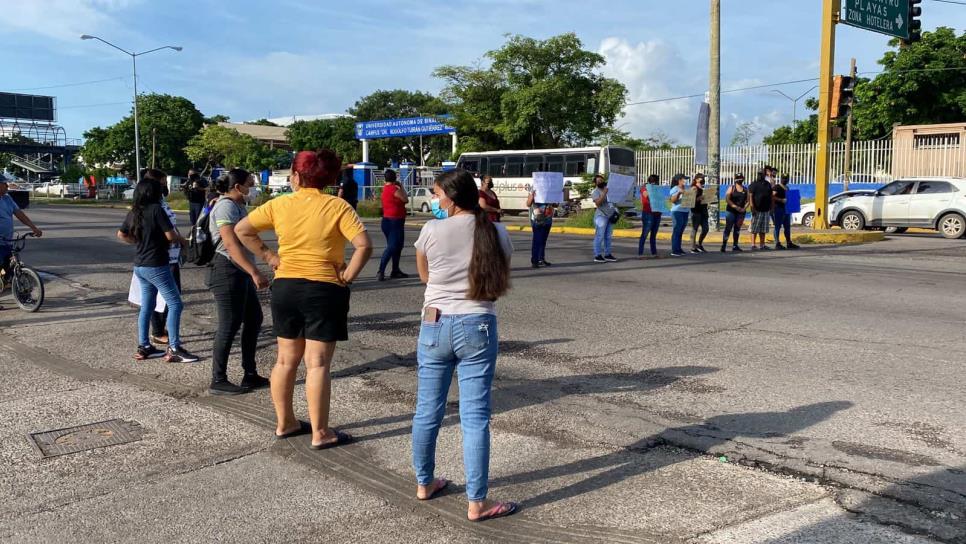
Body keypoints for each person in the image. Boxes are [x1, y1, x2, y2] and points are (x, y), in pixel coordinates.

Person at [235, 149, 373, 448]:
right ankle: (320, 432)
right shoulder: (338, 206)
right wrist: (347, 276)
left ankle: (285, 422)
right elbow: (364, 245)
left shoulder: (279, 204)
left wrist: (270, 256)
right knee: (318, 363)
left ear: (296, 176)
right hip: (324, 288)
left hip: (286, 286)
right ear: (329, 178)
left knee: (285, 360)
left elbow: (242, 229)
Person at [412, 169, 517, 522]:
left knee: (428, 410)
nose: (436, 200)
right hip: (478, 323)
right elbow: (498, 275)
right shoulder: (498, 232)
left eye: (438, 194)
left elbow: (425, 276)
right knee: (475, 418)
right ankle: (477, 502)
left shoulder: (431, 229)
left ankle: (424, 483)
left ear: (452, 198)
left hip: (435, 323)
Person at [118, 175, 199, 363]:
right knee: (175, 303)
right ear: (154, 193)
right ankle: (174, 347)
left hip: (140, 264)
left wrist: (138, 242)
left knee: (147, 305)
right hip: (157, 264)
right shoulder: (157, 210)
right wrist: (184, 242)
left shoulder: (135, 211)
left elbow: (121, 234)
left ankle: (144, 346)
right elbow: (170, 235)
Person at [207, 169, 272, 395]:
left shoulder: (236, 205)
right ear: (237, 186)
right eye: (249, 183)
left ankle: (250, 373)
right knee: (229, 324)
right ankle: (218, 379)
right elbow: (231, 245)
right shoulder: (225, 206)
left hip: (238, 270)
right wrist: (254, 272)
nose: (252, 187)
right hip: (227, 270)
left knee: (254, 319)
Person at [148, 178, 181, 345]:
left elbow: (172, 227)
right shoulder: (154, 207)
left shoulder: (162, 203)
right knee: (170, 300)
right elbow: (168, 234)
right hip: (162, 258)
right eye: (161, 183)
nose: (165, 186)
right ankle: (160, 333)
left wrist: (182, 240)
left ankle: (159, 332)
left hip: (172, 257)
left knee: (168, 297)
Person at [378, 169, 409, 282]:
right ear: (394, 178)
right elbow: (405, 199)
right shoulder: (393, 189)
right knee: (392, 247)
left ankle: (395, 270)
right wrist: (401, 187)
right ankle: (381, 270)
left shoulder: (385, 189)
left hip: (388, 221)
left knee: (397, 247)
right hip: (394, 222)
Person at [591, 175, 617, 263]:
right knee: (599, 236)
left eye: (601, 180)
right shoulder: (595, 192)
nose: (600, 182)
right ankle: (597, 255)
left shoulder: (608, 190)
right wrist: (604, 193)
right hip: (601, 216)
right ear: (595, 183)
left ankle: (608, 254)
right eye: (598, 181)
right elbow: (598, 203)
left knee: (608, 236)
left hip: (610, 215)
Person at [721, 173, 749, 252]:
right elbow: (727, 199)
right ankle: (724, 245)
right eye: (738, 178)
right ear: (735, 179)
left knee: (737, 229)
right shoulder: (732, 188)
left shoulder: (745, 189)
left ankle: (735, 245)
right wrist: (735, 207)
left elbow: (748, 201)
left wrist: (744, 208)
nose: (740, 179)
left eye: (741, 178)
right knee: (728, 228)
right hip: (731, 211)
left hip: (741, 212)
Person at [526, 189, 554, 268]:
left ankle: (541, 259)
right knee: (537, 240)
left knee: (543, 241)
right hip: (537, 219)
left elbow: (555, 204)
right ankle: (535, 260)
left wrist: (558, 196)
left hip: (548, 218)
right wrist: (532, 196)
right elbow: (528, 204)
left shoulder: (550, 188)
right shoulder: (534, 188)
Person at [772, 174, 800, 250]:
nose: (784, 180)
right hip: (779, 209)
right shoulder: (777, 187)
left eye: (786, 179)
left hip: (787, 210)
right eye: (783, 178)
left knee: (787, 227)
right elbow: (772, 196)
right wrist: (781, 200)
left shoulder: (787, 187)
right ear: (781, 179)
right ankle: (777, 243)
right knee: (777, 226)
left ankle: (789, 243)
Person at [748, 170, 774, 250]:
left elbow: (771, 196)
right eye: (759, 174)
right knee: (754, 229)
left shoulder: (768, 184)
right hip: (757, 210)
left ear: (764, 175)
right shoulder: (753, 184)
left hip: (766, 210)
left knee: (763, 229)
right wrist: (752, 208)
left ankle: (762, 245)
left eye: (762, 174)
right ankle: (753, 245)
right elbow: (751, 197)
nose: (760, 176)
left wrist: (772, 207)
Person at [638, 174, 662, 259]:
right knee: (645, 233)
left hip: (657, 213)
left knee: (653, 235)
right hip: (648, 213)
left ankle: (654, 253)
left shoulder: (657, 189)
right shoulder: (645, 188)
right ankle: (640, 254)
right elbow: (648, 196)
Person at [668, 173, 690, 257]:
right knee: (677, 230)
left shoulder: (685, 188)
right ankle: (674, 250)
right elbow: (673, 200)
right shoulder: (675, 188)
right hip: (677, 211)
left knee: (681, 231)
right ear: (679, 180)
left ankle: (679, 248)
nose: (685, 181)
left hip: (685, 211)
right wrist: (678, 193)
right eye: (684, 179)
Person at [689, 173, 709, 253]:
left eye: (703, 178)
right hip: (696, 211)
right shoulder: (694, 188)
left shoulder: (703, 188)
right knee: (695, 229)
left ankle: (699, 244)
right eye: (701, 178)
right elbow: (691, 200)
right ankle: (693, 247)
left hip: (704, 211)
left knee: (705, 229)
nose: (703, 180)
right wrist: (699, 198)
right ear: (696, 179)